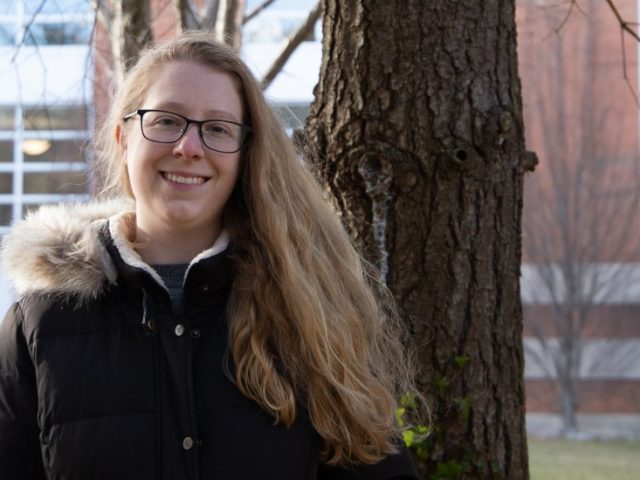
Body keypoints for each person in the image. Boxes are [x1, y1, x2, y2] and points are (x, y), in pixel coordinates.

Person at [0, 33, 420, 479]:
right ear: (124, 138)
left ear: (245, 154)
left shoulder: (310, 310)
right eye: (166, 121)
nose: (189, 147)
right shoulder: (39, 326)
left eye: (217, 128)